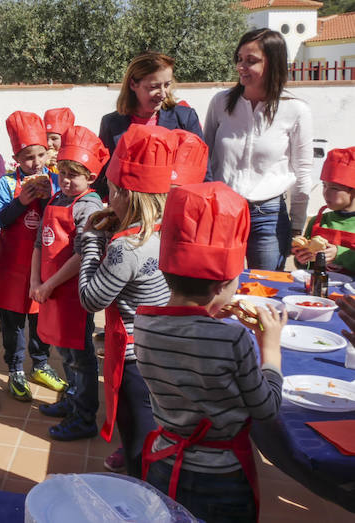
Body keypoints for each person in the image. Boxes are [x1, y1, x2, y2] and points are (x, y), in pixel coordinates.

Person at [136, 182, 286, 522]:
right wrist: (270, 348)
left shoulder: (143, 324)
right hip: (221, 479)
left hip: (165, 464)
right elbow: (266, 408)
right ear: (222, 285)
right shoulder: (233, 339)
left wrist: (209, 317)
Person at [78, 124, 177, 478]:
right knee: (155, 434)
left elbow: (91, 298)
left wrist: (90, 241)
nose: (108, 198)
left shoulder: (126, 246)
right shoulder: (168, 227)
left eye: (113, 191)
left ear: (128, 196)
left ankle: (146, 500)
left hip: (136, 358)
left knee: (138, 441)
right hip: (164, 346)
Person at [204, 28, 313, 271]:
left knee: (265, 288)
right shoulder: (221, 103)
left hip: (269, 215)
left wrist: (297, 224)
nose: (241, 66)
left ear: (273, 64)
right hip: (222, 210)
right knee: (217, 288)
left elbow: (303, 171)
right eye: (239, 59)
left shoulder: (296, 109)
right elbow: (204, 157)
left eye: (251, 61)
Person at [31, 126, 108, 441]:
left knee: (80, 354)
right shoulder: (56, 199)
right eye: (62, 172)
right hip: (51, 291)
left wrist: (49, 285)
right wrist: (35, 280)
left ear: (90, 177)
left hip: (73, 294)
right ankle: (73, 399)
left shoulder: (88, 207)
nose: (65, 180)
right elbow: (39, 243)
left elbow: (82, 255)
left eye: (73, 175)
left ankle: (85, 415)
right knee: (64, 352)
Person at [0, 111, 66, 402]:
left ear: (48, 153)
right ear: (16, 159)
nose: (35, 163)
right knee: (12, 321)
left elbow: (61, 219)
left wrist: (47, 197)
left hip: (43, 267)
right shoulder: (7, 184)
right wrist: (22, 201)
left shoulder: (58, 181)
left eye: (40, 155)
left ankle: (41, 364)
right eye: (27, 157)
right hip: (11, 267)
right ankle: (14, 368)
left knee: (40, 319)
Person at [97, 51, 207, 198]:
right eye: (154, 87)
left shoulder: (185, 118)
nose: (163, 93)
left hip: (173, 211)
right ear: (133, 84)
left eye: (167, 85)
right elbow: (103, 179)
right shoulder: (111, 123)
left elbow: (204, 173)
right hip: (127, 214)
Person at [292, 147, 355, 275]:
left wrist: (339, 254)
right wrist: (303, 259)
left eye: (334, 188)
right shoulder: (318, 221)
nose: (326, 193)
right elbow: (307, 266)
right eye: (324, 185)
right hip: (318, 285)